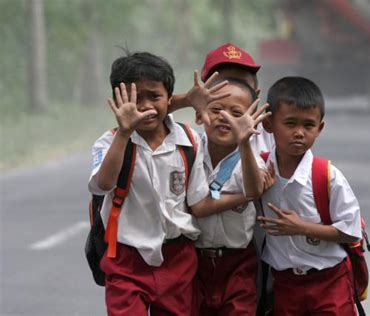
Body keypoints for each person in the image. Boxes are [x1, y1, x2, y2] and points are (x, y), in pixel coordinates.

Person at [88, 51, 261, 316]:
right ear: (119, 101)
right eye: (136, 98)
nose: (145, 106)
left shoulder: (189, 140)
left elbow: (199, 202)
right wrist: (124, 132)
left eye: (154, 97)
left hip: (178, 258)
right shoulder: (110, 142)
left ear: (168, 99)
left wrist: (246, 193)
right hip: (126, 258)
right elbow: (102, 184)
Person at [257, 76, 362, 315]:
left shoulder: (327, 176)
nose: (299, 133)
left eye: (308, 125)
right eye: (290, 123)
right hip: (285, 285)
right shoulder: (258, 170)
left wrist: (301, 227)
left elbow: (351, 230)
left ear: (320, 128)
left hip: (329, 282)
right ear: (269, 123)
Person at [192, 77, 273, 315]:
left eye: (236, 113)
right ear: (200, 115)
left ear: (250, 121)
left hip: (237, 262)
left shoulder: (249, 159)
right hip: (194, 262)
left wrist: (244, 142)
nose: (225, 117)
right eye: (216, 109)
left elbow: (253, 189)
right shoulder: (190, 150)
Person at [169, 42, 275, 154]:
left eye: (241, 85)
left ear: (256, 95)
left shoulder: (273, 134)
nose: (231, 92)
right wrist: (186, 100)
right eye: (222, 84)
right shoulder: (189, 146)